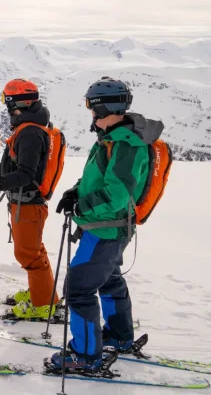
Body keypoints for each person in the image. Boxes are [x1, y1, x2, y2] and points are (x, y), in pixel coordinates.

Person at [49, 77, 163, 371]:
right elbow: (96, 179)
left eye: (91, 106)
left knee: (78, 289)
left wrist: (81, 205)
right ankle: (119, 337)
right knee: (110, 280)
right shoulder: (112, 140)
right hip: (108, 227)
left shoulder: (126, 146)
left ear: (104, 107)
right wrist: (76, 191)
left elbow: (116, 195)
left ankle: (86, 356)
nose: (90, 112)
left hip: (104, 229)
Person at [0, 79, 59, 320]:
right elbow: (18, 166)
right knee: (34, 252)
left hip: (28, 204)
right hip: (27, 203)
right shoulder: (30, 128)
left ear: (14, 103)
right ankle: (44, 295)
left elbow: (25, 174)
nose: (5, 107)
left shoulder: (30, 132)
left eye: (5, 101)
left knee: (28, 255)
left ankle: (42, 306)